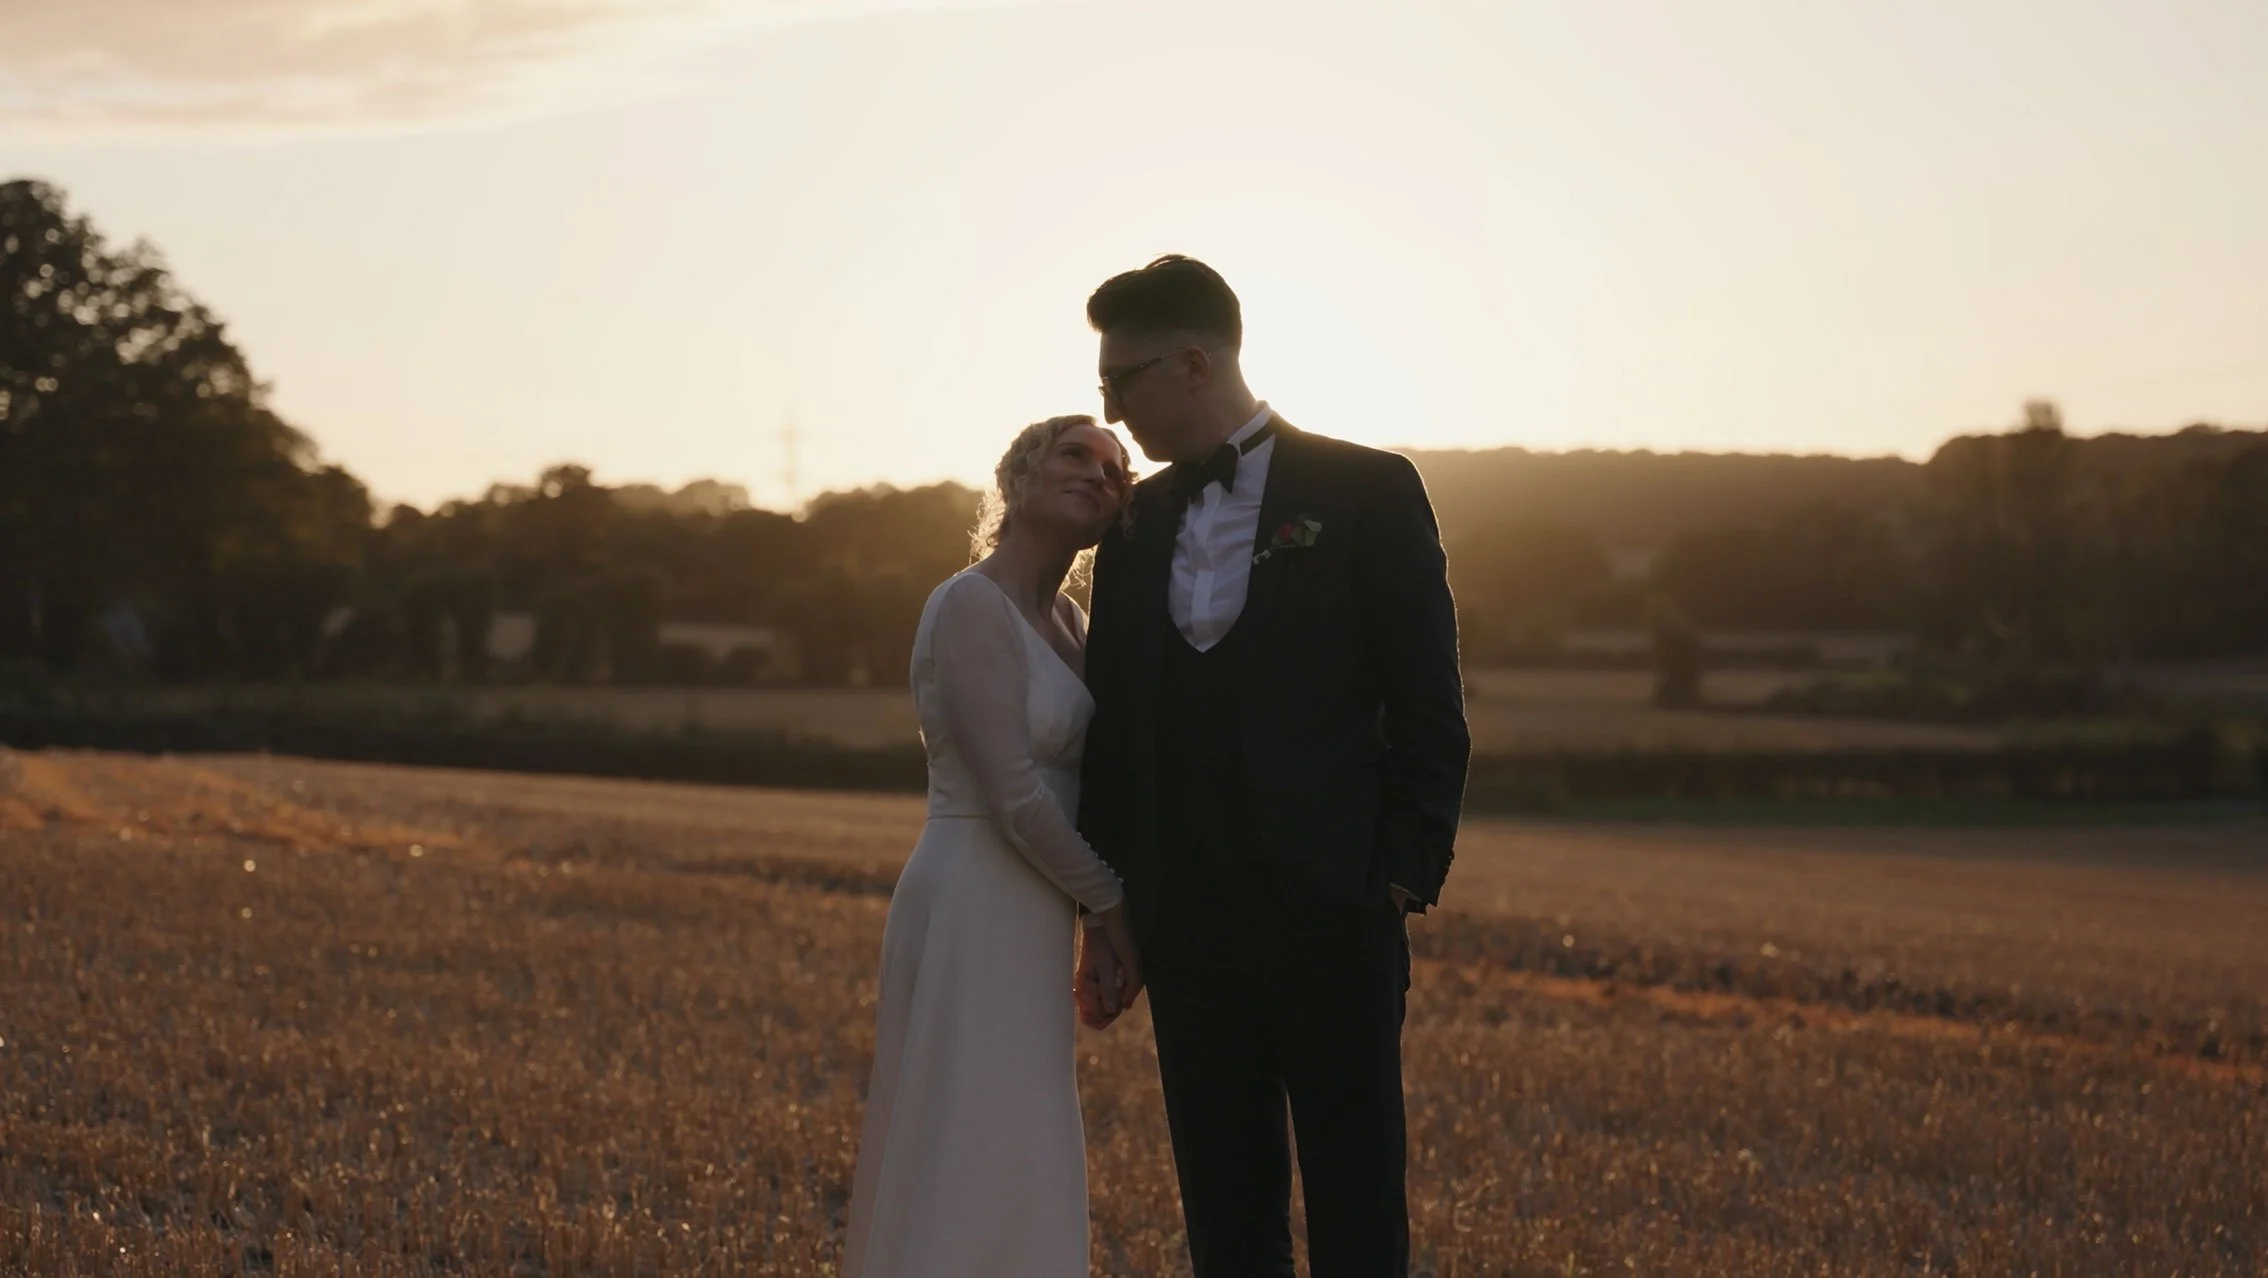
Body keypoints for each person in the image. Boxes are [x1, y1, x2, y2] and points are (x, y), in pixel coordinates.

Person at [1075, 255, 1470, 1277]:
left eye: (1122, 383)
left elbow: (1428, 698)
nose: (1110, 411)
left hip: (1334, 906)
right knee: (1225, 1209)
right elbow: (1114, 728)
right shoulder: (1134, 526)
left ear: (1195, 363)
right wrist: (1113, 903)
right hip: (1187, 921)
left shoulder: (1368, 489)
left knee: (1357, 1201)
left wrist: (1398, 873)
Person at [840, 414, 1144, 1278]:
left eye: (1115, 470)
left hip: (1035, 904)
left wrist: (1089, 918)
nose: (1099, 474)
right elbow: (1013, 795)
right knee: (964, 1132)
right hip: (972, 894)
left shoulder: (1072, 620)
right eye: (1074, 456)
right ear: (1015, 481)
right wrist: (1112, 903)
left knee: (1022, 1134)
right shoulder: (968, 603)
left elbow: (1086, 787)